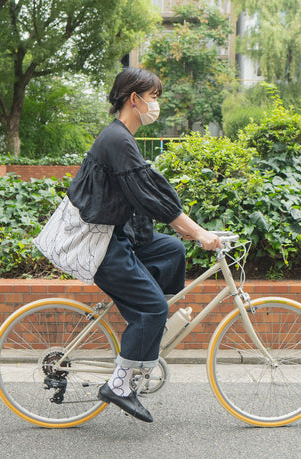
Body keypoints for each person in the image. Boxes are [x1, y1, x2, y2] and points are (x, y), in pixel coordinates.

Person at [66, 67, 221, 423]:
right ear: (134, 99)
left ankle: (148, 327)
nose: (156, 104)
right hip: (101, 243)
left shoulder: (122, 138)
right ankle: (120, 384)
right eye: (153, 97)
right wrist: (197, 231)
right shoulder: (117, 140)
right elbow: (150, 197)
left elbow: (144, 192)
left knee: (171, 251)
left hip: (119, 235)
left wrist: (185, 232)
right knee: (154, 307)